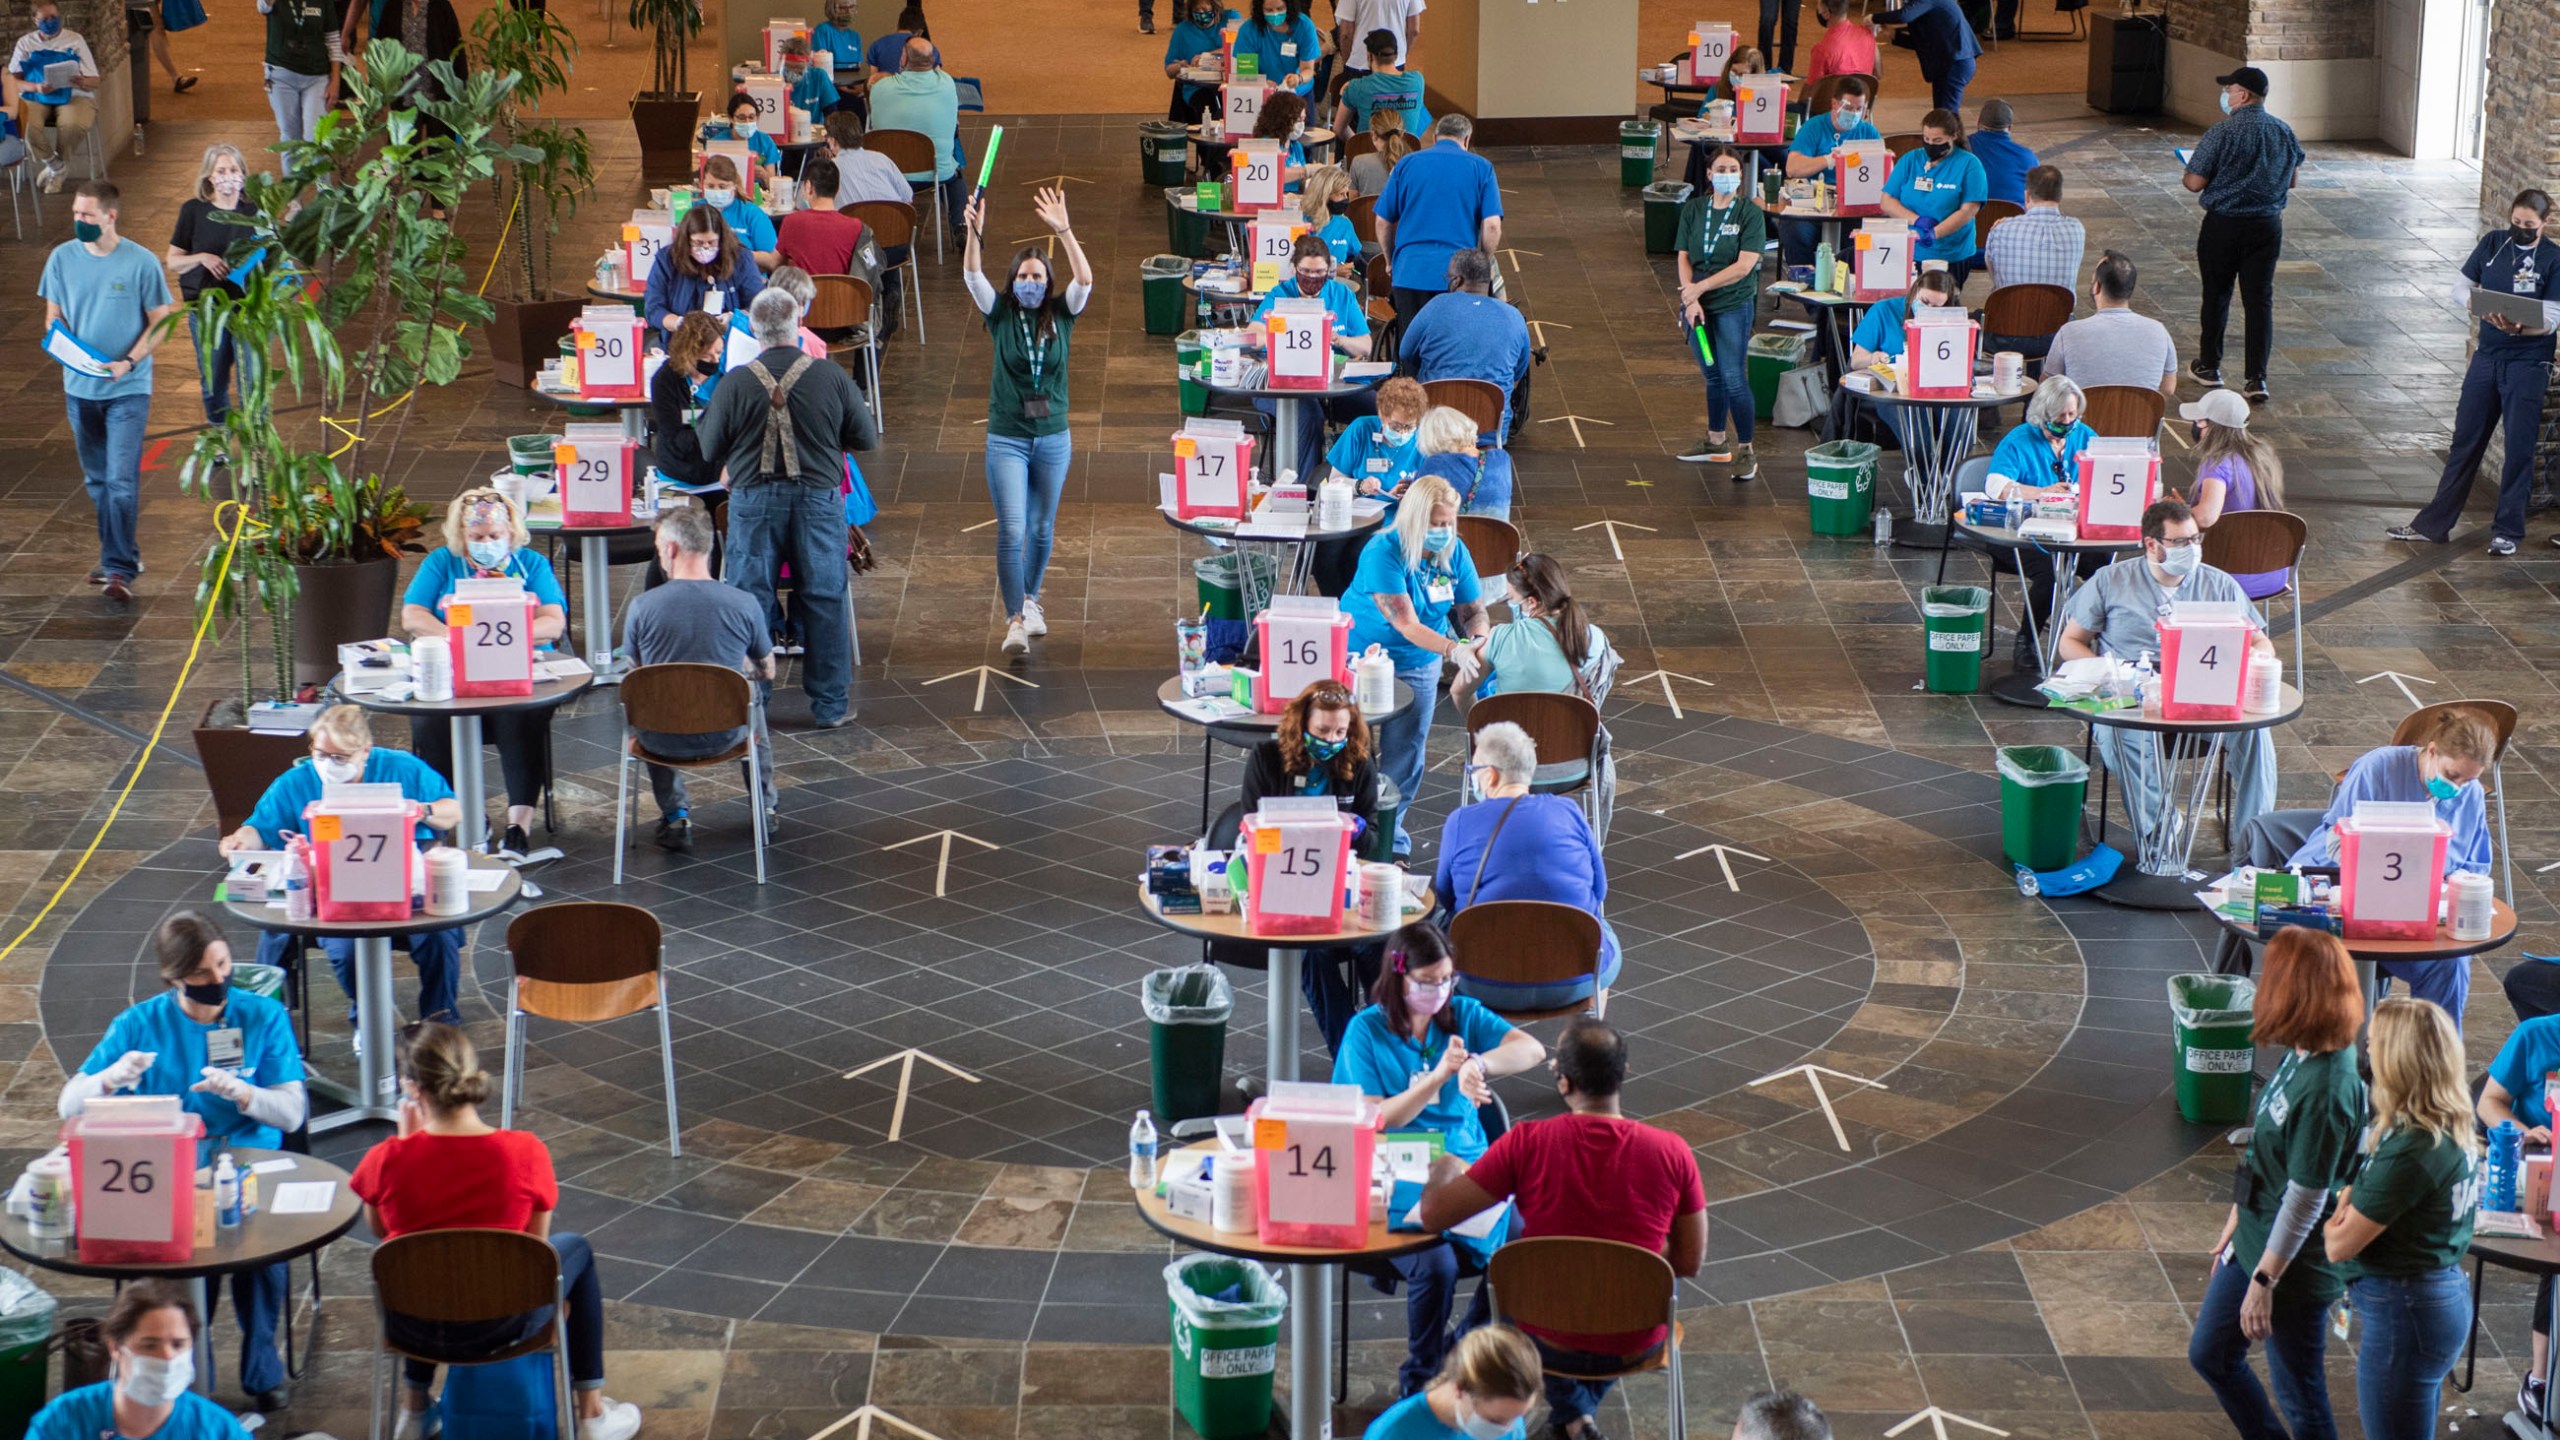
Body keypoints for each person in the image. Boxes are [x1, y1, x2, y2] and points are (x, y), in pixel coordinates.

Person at [58, 917, 305, 1411]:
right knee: (182, 1273)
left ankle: (262, 1370)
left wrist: (245, 1093)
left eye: (223, 964)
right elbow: (69, 1105)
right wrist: (108, 1078)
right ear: (174, 978)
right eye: (200, 972)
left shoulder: (261, 1016)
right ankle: (190, 1380)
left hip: (249, 1158)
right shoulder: (138, 1025)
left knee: (261, 1262)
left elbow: (292, 1111)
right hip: (168, 1172)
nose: (217, 979)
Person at [1418, 1018, 1707, 1440]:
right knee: (1567, 1296)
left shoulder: (1528, 1142)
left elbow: (1434, 1215)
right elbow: (1689, 1260)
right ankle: (1576, 1419)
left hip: (1545, 1334)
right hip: (1634, 1335)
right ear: (1622, 1076)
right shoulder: (1673, 1152)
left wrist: (1445, 1165)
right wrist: (1624, 1255)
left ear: (1564, 1082)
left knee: (1510, 1291)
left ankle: (1569, 1412)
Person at [352, 1023, 643, 1440]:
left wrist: (404, 1145)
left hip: (414, 1326)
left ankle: (414, 1411)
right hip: (504, 1325)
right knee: (574, 1248)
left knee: (423, 1262)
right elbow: (534, 1248)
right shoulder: (525, 1151)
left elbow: (384, 1232)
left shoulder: (386, 1158)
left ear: (411, 1088)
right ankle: (592, 1413)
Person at [1334, 922, 1546, 1394]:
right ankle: (1421, 1377)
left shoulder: (1464, 1014)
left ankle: (1462, 1352)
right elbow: (1375, 1118)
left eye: (1447, 979)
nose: (1439, 991)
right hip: (1396, 1173)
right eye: (1427, 982)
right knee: (1437, 1267)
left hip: (1469, 1172)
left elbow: (1531, 1048)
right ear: (1399, 978)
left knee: (1521, 1249)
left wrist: (1477, 1063)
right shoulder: (1364, 1031)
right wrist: (1436, 1079)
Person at [2189, 926, 2364, 1440]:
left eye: (2273, 977)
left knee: (2301, 1396)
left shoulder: (2329, 1086)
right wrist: (2238, 1212)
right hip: (2255, 1233)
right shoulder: (2304, 1050)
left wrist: (2264, 1283)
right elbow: (2270, 1145)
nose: (2265, 984)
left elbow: (2307, 1197)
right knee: (2211, 1354)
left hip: (2292, 1267)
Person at [699, 288, 878, 729]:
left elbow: (707, 447)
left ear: (754, 330)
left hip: (753, 503)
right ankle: (831, 705)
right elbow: (867, 438)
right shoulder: (830, 377)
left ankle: (753, 703)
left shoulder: (736, 381)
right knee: (824, 597)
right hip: (818, 501)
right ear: (798, 325)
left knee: (751, 599)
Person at [219, 704, 466, 1014]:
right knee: (346, 950)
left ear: (366, 751)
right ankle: (368, 1016)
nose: (328, 765)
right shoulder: (297, 781)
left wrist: (423, 810)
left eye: (340, 758)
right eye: (321, 754)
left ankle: (440, 1020)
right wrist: (240, 838)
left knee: (439, 938)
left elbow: (452, 812)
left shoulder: (403, 768)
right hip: (334, 897)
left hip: (404, 890)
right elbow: (260, 828)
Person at [2058, 499, 2277, 847]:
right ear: (2152, 544)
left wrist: (2251, 662)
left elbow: (2262, 643)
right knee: (2118, 737)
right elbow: (2070, 642)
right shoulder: (2112, 580)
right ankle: (2159, 832)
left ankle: (2254, 841)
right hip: (2134, 690)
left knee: (2257, 736)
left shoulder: (2218, 584)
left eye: (2196, 539)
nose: (2192, 549)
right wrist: (2111, 672)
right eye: (2181, 542)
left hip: (2203, 692)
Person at [2323, 998, 2479, 1440]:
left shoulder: (2413, 1148)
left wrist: (2344, 1200)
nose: (2365, 1052)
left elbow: (2338, 1245)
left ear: (2398, 1058)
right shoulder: (2447, 1124)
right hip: (2431, 1299)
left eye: (2372, 1044)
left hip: (2406, 1310)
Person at [2283, 710, 2496, 1024]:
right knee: (2330, 970)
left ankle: (2431, 1065)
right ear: (2433, 751)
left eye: (2470, 780)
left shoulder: (2471, 796)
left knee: (2450, 964)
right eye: (2452, 776)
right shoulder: (2378, 769)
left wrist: (2452, 889)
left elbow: (2473, 867)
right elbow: (2336, 841)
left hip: (2410, 916)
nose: (2460, 789)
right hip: (2336, 891)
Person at [2387, 189, 2560, 558]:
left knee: (2518, 449)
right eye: (2516, 223)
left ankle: (2508, 531)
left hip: (2528, 364)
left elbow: (2553, 319)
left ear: (2545, 223)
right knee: (2465, 440)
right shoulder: (2494, 243)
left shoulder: (2553, 259)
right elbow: (2461, 286)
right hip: (2488, 357)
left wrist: (2521, 329)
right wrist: (2477, 306)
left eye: (2529, 225)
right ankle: (2433, 525)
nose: (2521, 230)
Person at [397, 492, 566, 853]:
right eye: (477, 538)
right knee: (429, 723)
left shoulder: (531, 564)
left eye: (494, 536)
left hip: (515, 677)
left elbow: (553, 623)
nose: (486, 544)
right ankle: (468, 812)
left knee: (520, 719)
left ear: (510, 532)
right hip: (455, 677)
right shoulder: (442, 562)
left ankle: (518, 825)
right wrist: (456, 636)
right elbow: (412, 615)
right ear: (462, 537)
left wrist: (512, 632)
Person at [961, 187, 1090, 657]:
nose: (1030, 280)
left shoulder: (1063, 313)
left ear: (1047, 280)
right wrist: (975, 231)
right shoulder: (999, 314)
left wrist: (1065, 230)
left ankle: (1032, 600)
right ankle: (1014, 617)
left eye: (1037, 275)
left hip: (1053, 436)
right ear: (1013, 281)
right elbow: (972, 273)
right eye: (1023, 274)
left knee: (1041, 528)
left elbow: (1086, 279)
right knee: (1012, 528)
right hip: (1008, 438)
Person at [42, 181, 178, 603]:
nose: (78, 222)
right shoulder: (61, 259)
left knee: (120, 480)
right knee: (98, 480)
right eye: (76, 214)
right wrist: (61, 343)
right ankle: (119, 554)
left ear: (110, 216)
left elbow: (162, 320)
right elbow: (53, 318)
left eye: (86, 215)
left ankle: (118, 569)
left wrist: (130, 362)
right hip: (79, 389)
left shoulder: (140, 263)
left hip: (128, 388)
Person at [1432, 721, 1620, 1009]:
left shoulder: (1461, 821)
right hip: (1575, 978)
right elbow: (1600, 889)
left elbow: (1445, 896)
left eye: (1473, 770)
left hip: (1482, 978)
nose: (1471, 777)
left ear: (1490, 776)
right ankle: (1587, 1045)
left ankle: (1465, 1045)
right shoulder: (1570, 812)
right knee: (1600, 928)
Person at [623, 506, 777, 851]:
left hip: (659, 740)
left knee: (649, 697)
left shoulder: (642, 606)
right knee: (749, 694)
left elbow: (633, 674)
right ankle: (764, 806)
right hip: (728, 734)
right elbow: (768, 670)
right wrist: (737, 673)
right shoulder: (744, 603)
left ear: (672, 549)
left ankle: (676, 814)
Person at [1344, 475, 1483, 854]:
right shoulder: (1382, 552)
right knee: (1352, 745)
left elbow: (1472, 611)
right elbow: (1406, 624)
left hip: (1421, 660)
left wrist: (1478, 641)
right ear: (1414, 519)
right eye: (1436, 523)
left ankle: (1390, 836)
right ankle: (1354, 830)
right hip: (1362, 656)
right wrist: (1455, 651)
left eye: (1449, 523)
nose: (1443, 531)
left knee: (1406, 752)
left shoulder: (1455, 550)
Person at [1242, 679, 1383, 1047]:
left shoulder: (1360, 763)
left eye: (1340, 731)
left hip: (1342, 887)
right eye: (1322, 730)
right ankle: (1351, 1050)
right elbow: (1250, 831)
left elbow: (1374, 843)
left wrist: (1357, 831)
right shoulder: (1266, 760)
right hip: (1281, 887)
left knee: (1379, 947)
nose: (1331, 738)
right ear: (1301, 724)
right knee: (1313, 955)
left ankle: (1390, 1043)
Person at [2183, 66, 2304, 404]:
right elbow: (2292, 180)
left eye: (2229, 89)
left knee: (2217, 294)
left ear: (2244, 96)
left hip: (2223, 226)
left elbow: (2195, 182)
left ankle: (2209, 366)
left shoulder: (2222, 133)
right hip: (2266, 227)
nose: (2226, 95)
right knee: (2259, 300)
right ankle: (2256, 379)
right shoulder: (2283, 131)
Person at [28, 1284, 253, 1440]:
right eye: (149, 1345)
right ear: (116, 1347)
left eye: (178, 1344)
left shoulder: (218, 1431)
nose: (167, 1357)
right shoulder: (62, 1421)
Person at [2478, 1009, 2560, 1424]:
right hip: (2539, 1175)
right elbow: (2489, 1102)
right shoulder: (2535, 1036)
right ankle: (2539, 1381)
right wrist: (2523, 1132)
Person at [1981, 377, 2098, 665]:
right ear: (2043, 414)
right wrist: (2042, 493)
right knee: (2049, 575)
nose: (2067, 421)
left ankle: (2089, 634)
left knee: (2103, 567)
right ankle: (2027, 640)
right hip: (2023, 533)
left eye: (2072, 414)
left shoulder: (2084, 436)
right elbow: (1995, 485)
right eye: (2060, 416)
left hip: (2071, 531)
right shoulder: (2019, 440)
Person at [1672, 146, 1767, 478]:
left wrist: (1700, 288)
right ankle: (1715, 441)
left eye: (1733, 170)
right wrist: (1690, 297)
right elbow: (1683, 256)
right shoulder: (1694, 209)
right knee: (1711, 373)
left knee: (1733, 377)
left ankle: (1746, 450)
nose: (1728, 175)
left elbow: (1744, 267)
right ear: (1709, 175)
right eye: (1721, 169)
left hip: (1731, 307)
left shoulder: (1749, 214)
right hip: (1698, 309)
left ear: (1740, 176)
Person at [1449, 552, 1618, 721]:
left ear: (1531, 602)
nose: (1510, 604)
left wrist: (1480, 728)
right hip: (1572, 742)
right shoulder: (1597, 639)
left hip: (1509, 742)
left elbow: (1459, 692)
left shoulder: (1499, 638)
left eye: (1512, 598)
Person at [1253, 235, 1373, 469]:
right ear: (1294, 268)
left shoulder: (1341, 294)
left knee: (1378, 410)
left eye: (1320, 273)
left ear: (1329, 269)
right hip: (1281, 384)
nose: (1313, 278)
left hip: (1332, 383)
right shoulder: (1280, 294)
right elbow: (1254, 335)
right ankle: (1306, 489)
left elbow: (1366, 345)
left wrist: (1338, 339)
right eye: (1306, 271)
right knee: (1309, 417)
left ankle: (1359, 474)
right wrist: (1286, 331)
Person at [1376, 114, 1502, 330]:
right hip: (1459, 277)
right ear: (1466, 139)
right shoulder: (1482, 167)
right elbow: (1491, 226)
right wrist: (1483, 261)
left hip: (1410, 272)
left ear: (1434, 137)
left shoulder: (1406, 164)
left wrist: (1389, 260)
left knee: (1412, 344)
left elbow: (1382, 221)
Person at [1398, 248, 1532, 444]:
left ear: (1456, 281)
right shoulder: (1514, 317)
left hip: (1436, 428)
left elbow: (1405, 352)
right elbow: (1516, 376)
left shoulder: (1435, 306)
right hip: (1490, 430)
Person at [167, 144, 260, 426]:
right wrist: (202, 258)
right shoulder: (193, 211)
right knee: (213, 378)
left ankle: (254, 444)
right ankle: (219, 434)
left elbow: (271, 251)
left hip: (247, 307)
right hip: (207, 310)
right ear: (209, 176)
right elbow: (173, 261)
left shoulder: (254, 211)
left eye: (234, 170)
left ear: (243, 175)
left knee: (252, 380)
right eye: (221, 170)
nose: (228, 176)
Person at [1312, 376, 1425, 595]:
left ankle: (1359, 608)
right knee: (1323, 557)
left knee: (1359, 555)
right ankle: (1340, 607)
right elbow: (1335, 481)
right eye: (1396, 426)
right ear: (1382, 416)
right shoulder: (1361, 429)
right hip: (1354, 511)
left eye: (1409, 427)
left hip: (1394, 517)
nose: (1402, 433)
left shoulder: (1423, 442)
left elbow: (1431, 491)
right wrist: (1361, 486)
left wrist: (1410, 494)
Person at [2179, 387, 2289, 598]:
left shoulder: (2218, 463)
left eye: (2200, 421)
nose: (2196, 426)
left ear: (2214, 428)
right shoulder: (2262, 456)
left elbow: (2206, 517)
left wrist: (2180, 511)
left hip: (2227, 576)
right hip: (2272, 573)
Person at [1362, 1326, 1541, 1440]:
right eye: (1495, 1420)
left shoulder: (1509, 1420)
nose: (1508, 1429)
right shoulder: (1393, 1433)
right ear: (1460, 1389)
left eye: (1519, 1416)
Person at [2040, 250, 2178, 398]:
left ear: (2096, 287)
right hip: (2139, 420)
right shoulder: (2158, 331)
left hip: (2086, 419)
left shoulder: (2069, 332)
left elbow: (2048, 385)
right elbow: (2169, 388)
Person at [1878, 109, 1986, 289]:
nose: (1930, 145)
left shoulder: (1969, 164)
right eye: (1926, 139)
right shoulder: (1911, 160)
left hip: (1951, 253)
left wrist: (1935, 233)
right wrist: (1917, 221)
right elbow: (1887, 200)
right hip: (1911, 249)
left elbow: (1968, 211)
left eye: (1937, 141)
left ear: (1953, 136)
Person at [1779, 77, 1880, 265]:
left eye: (1860, 109)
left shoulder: (1868, 132)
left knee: (1875, 227)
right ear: (1835, 104)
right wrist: (1827, 160)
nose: (1854, 114)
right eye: (1849, 108)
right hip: (1814, 202)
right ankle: (1804, 276)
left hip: (1852, 205)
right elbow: (1793, 168)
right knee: (1793, 230)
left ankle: (1845, 278)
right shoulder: (1814, 127)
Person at [870, 36, 963, 233]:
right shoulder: (947, 84)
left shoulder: (880, 90)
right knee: (956, 176)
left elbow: (873, 95)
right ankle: (961, 227)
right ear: (932, 60)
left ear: (904, 58)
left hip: (890, 174)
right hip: (935, 172)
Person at [11, 0, 97, 194]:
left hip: (73, 93)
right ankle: (55, 166)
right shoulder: (25, 43)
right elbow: (12, 81)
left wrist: (81, 80)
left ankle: (56, 170)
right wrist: (35, 86)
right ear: (35, 20)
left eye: (54, 17)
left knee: (72, 125)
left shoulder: (75, 40)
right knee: (25, 126)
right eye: (45, 19)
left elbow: (95, 80)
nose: (51, 22)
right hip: (36, 94)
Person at [645, 205, 766, 340]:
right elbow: (653, 309)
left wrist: (735, 318)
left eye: (712, 242)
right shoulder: (667, 259)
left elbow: (758, 305)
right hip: (681, 344)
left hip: (729, 344)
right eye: (698, 242)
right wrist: (679, 323)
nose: (705, 248)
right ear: (686, 240)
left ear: (722, 240)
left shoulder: (740, 258)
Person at [1980, 164, 2083, 309]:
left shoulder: (2001, 229)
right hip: (2058, 324)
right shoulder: (2077, 229)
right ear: (2060, 195)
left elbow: (1994, 274)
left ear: (2027, 196)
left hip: (2008, 321)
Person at [648, 314, 726, 497]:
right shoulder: (664, 381)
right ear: (688, 354)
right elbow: (675, 436)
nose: (715, 361)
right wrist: (719, 435)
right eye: (706, 356)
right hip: (677, 478)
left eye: (719, 353)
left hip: (719, 477)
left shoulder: (726, 374)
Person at [1871, 0, 1978, 112]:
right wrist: (1893, 34)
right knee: (1942, 115)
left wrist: (1873, 18)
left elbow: (1903, 16)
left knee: (1946, 117)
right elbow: (1924, 43)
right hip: (1951, 63)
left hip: (1955, 63)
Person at [1411, 403, 1510, 522]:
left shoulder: (1435, 464)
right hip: (1497, 537)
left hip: (1451, 537)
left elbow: (1414, 510)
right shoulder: (1502, 458)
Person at [259, 0, 339, 144]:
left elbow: (333, 40)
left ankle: (316, 167)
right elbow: (263, 7)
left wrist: (335, 81)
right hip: (281, 75)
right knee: (290, 137)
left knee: (316, 138)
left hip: (317, 76)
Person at [776, 158, 869, 278]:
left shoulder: (792, 221)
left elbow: (777, 261)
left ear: (809, 187)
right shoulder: (856, 226)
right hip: (844, 296)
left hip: (805, 295)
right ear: (838, 189)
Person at [1339, 28, 1428, 135]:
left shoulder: (1357, 87)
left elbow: (1339, 128)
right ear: (1396, 55)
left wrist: (1358, 144)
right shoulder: (1417, 81)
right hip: (1407, 150)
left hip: (1367, 150)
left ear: (1369, 55)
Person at [698, 154, 780, 271]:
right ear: (702, 185)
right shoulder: (695, 211)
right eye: (710, 186)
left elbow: (773, 261)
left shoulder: (751, 213)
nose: (716, 191)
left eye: (722, 186)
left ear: (734, 186)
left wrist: (736, 254)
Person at [1163, 0, 1239, 121]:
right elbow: (1169, 70)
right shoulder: (1182, 30)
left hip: (1230, 83)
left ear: (1215, 8)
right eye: (1196, 11)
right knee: (1209, 108)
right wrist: (1181, 66)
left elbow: (1239, 46)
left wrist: (1207, 56)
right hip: (1198, 88)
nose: (1201, 14)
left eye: (1205, 10)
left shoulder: (1231, 18)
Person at [822, 111, 916, 206]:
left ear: (833, 140)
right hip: (893, 219)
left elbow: (817, 206)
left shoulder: (828, 170)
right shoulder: (881, 158)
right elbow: (908, 197)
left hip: (852, 219)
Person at [702, 89, 785, 188]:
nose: (747, 122)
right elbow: (708, 180)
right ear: (731, 118)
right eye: (741, 118)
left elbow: (772, 184)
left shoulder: (765, 141)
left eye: (751, 117)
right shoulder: (718, 143)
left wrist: (764, 175)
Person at [1240, 0, 1321, 98]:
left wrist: (1298, 79)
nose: (1275, 14)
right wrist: (1262, 83)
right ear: (1260, 10)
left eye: (1280, 8)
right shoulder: (1249, 29)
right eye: (1269, 10)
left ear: (1288, 6)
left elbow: (1308, 69)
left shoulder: (1304, 26)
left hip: (1299, 92)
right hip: (1262, 93)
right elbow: (1246, 71)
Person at [1968, 98, 2036, 205]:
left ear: (1978, 123)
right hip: (2013, 218)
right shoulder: (2027, 157)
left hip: (1968, 218)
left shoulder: (1960, 148)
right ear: (2009, 128)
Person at [1335, 0, 1423, 81]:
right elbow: (1414, 30)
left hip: (1359, 62)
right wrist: (1401, 55)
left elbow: (1346, 33)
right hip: (1394, 62)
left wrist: (1347, 61)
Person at [1801, 0, 1876, 92]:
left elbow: (1811, 91)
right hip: (1860, 101)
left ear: (1826, 13)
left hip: (1831, 103)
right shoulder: (1867, 34)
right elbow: (1877, 74)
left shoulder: (1822, 50)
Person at [1299, 165, 1363, 264]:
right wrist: (1334, 271)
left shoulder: (1345, 224)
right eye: (1341, 194)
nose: (1346, 199)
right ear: (1325, 195)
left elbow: (1356, 257)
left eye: (1347, 194)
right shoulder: (1301, 222)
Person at [1350, 107, 1416, 198]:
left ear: (1373, 135)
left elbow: (1353, 204)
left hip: (1368, 212)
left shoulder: (1359, 162)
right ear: (1402, 134)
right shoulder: (1413, 163)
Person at [811, 0, 864, 106]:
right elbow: (820, 68)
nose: (848, 11)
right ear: (832, 8)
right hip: (830, 89)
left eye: (852, 7)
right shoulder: (823, 30)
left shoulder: (855, 37)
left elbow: (858, 68)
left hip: (852, 88)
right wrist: (841, 87)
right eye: (843, 8)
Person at [779, 36, 841, 120]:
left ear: (807, 64)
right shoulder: (775, 81)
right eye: (789, 67)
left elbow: (831, 112)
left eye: (798, 68)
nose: (793, 72)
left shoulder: (818, 77)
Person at [866, 2, 936, 73]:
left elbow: (873, 80)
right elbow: (937, 77)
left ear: (898, 25)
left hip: (887, 83)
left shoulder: (876, 46)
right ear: (920, 32)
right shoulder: (929, 49)